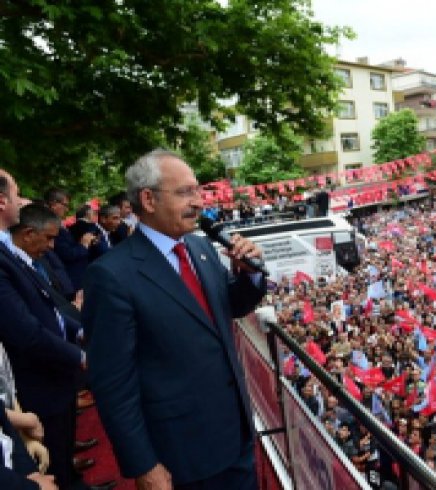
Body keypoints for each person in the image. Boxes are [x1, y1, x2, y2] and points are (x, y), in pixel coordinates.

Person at [82, 149, 266, 489]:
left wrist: (247, 275)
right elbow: (112, 383)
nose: (197, 202)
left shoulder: (202, 247)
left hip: (234, 434)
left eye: (197, 191)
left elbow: (230, 308)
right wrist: (143, 464)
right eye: (185, 192)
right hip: (180, 452)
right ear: (148, 199)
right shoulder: (110, 275)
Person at [0, 175, 88, 489]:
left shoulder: (11, 254)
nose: (22, 201)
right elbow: (26, 331)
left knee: (62, 455)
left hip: (50, 376)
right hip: (36, 381)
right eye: (17, 193)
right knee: (54, 462)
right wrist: (79, 355)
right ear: (2, 202)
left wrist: (79, 334)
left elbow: (50, 307)